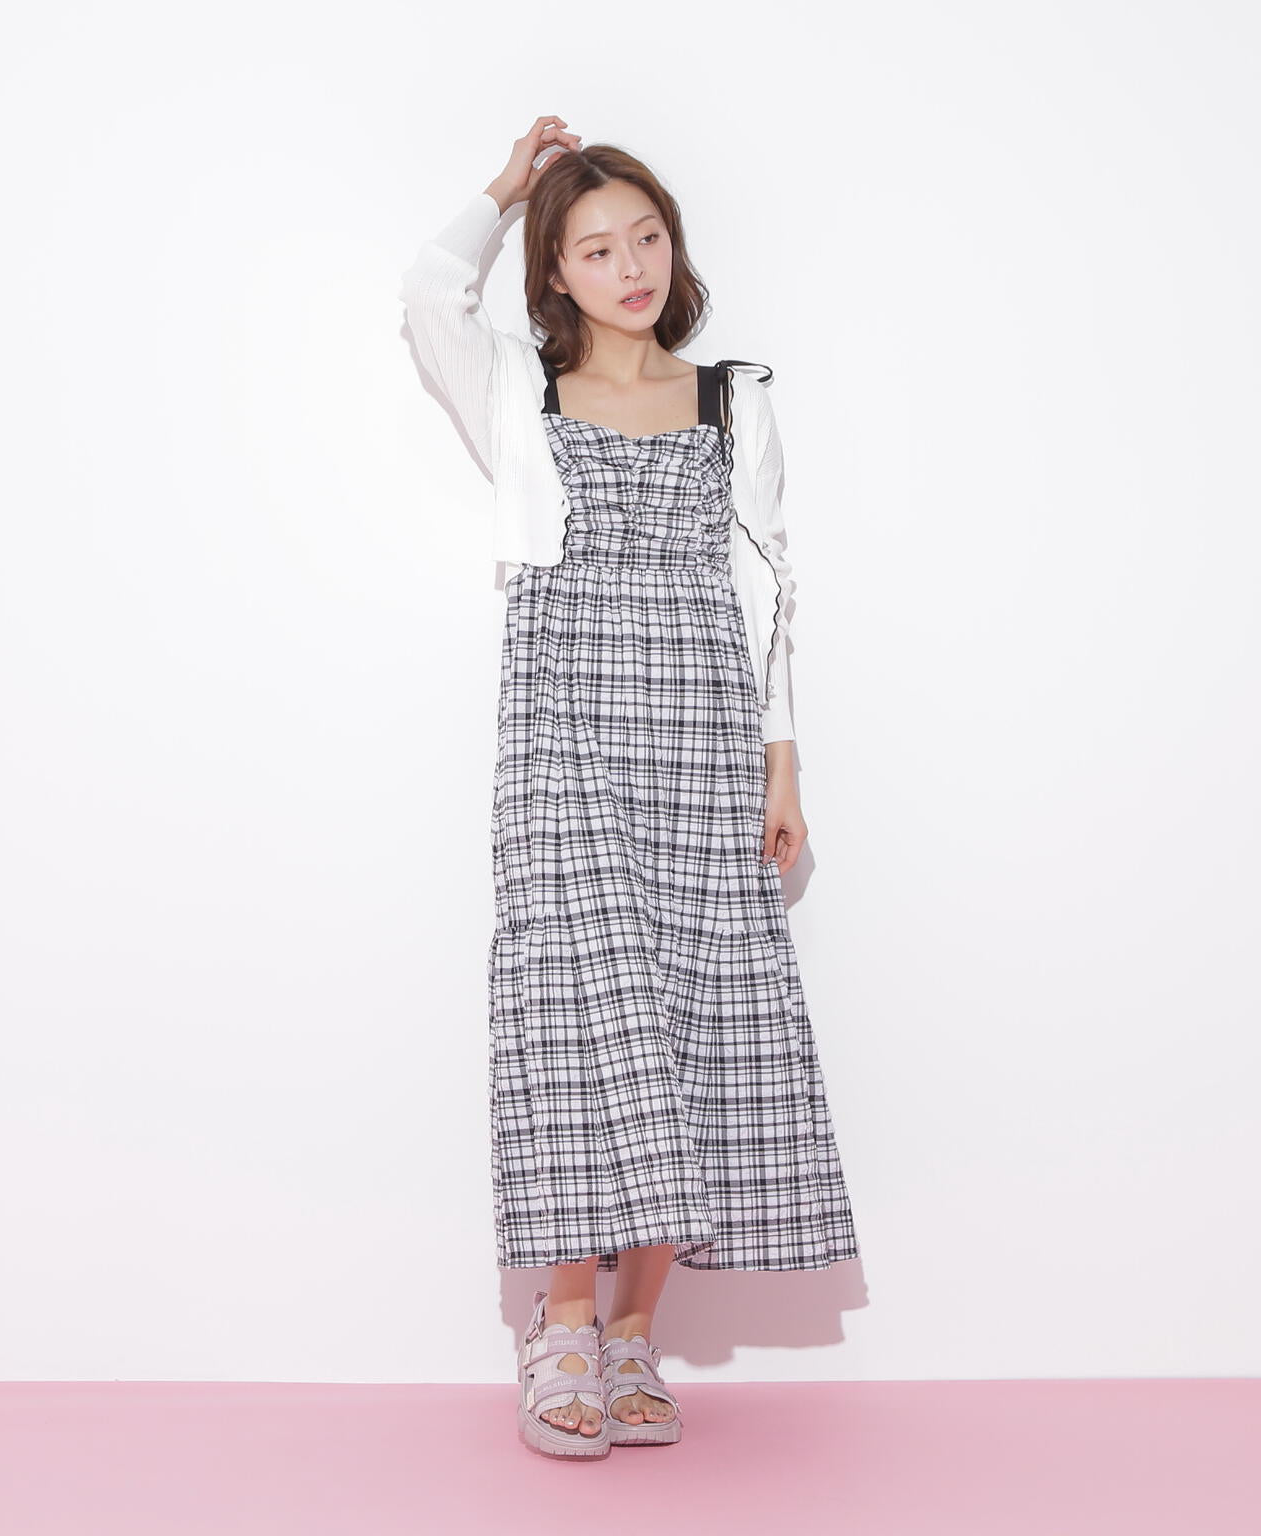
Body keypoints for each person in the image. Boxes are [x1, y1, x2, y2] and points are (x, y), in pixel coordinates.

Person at [400, 115, 859, 1458]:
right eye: (596, 249)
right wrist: (502, 192)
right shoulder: (518, 391)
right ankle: (558, 1329)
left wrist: (782, 760)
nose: (631, 267)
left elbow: (770, 586)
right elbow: (427, 295)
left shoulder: (733, 398)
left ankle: (632, 1333)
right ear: (555, 273)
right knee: (574, 1016)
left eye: (646, 237)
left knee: (698, 1016)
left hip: (705, 741)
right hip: (565, 742)